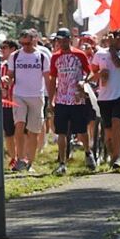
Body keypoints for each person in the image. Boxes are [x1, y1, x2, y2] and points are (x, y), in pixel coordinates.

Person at [47, 28, 94, 174]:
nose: (61, 43)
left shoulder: (79, 54)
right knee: (61, 132)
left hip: (76, 98)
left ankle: (88, 153)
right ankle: (62, 162)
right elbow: (53, 78)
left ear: (69, 39)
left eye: (63, 39)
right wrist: (51, 100)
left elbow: (90, 72)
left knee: (81, 130)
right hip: (61, 99)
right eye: (58, 40)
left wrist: (84, 81)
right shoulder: (55, 57)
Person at [5, 28, 49, 172]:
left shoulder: (42, 56)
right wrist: (7, 79)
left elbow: (47, 78)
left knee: (33, 131)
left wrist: (51, 97)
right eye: (22, 43)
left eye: (28, 43)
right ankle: (20, 159)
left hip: (37, 95)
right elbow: (10, 74)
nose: (25, 46)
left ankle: (30, 162)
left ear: (35, 40)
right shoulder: (15, 56)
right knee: (19, 125)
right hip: (19, 94)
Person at [90, 28, 120, 169]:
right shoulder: (99, 54)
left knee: (117, 123)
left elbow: (119, 63)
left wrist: (112, 47)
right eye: (119, 39)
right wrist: (100, 74)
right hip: (104, 97)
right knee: (108, 130)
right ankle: (111, 153)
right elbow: (93, 72)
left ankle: (117, 157)